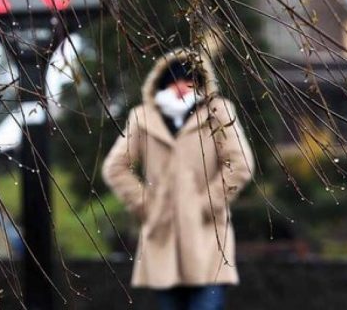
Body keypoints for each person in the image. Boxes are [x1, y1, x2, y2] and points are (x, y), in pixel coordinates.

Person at [102, 48, 254, 310]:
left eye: (189, 80)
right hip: (163, 238)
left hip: (207, 239)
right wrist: (146, 204)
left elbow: (240, 164)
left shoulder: (218, 112)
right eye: (174, 80)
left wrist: (208, 202)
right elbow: (115, 167)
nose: (182, 86)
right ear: (162, 83)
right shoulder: (143, 118)